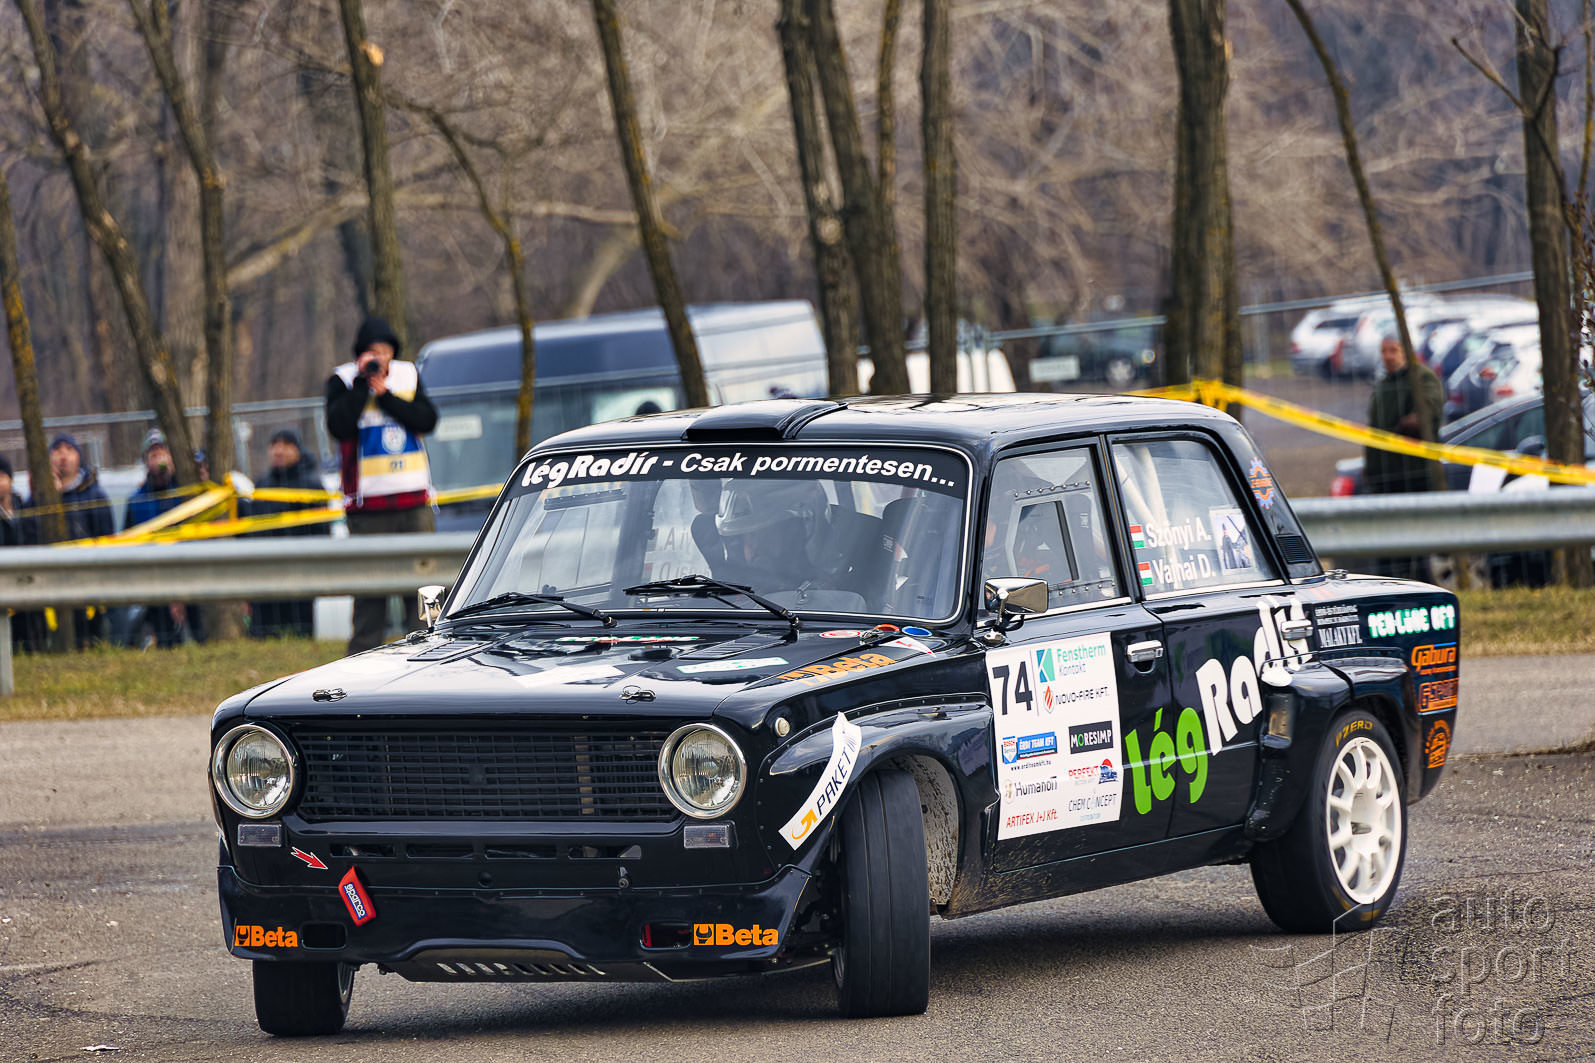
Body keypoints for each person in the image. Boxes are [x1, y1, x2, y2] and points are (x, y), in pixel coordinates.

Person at [326, 315, 438, 653]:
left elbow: (427, 419)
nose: (381, 358)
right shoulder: (343, 380)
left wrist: (386, 396)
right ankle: (362, 659)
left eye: (386, 351)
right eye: (373, 352)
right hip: (368, 509)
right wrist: (363, 387)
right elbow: (339, 426)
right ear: (360, 354)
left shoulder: (408, 375)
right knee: (370, 596)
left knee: (422, 591)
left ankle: (431, 653)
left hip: (413, 503)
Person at [1366, 333, 1443, 579]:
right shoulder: (1383, 384)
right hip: (1385, 478)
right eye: (1384, 351)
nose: (1388, 356)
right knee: (1390, 545)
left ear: (1406, 352)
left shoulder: (1422, 378)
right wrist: (1371, 468)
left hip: (1415, 474)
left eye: (1394, 350)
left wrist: (1411, 423)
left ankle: (1422, 585)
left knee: (1418, 543)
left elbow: (1428, 412)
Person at [247, 428, 330, 638]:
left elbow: (322, 531)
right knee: (265, 635)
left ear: (298, 450)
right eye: (274, 445)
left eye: (285, 445)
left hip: (302, 572)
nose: (278, 451)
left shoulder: (312, 485)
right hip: (267, 573)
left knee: (301, 632)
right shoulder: (262, 485)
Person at [125, 429, 198, 647]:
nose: (158, 458)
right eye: (153, 453)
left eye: (162, 452)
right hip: (153, 582)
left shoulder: (186, 493)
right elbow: (127, 544)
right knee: (165, 641)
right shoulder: (136, 501)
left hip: (189, 577)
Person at [45, 434, 114, 646]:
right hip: (53, 583)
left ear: (79, 456)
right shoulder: (42, 498)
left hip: (90, 582)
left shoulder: (95, 495)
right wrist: (51, 495)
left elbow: (107, 540)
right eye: (57, 450)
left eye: (69, 449)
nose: (63, 456)